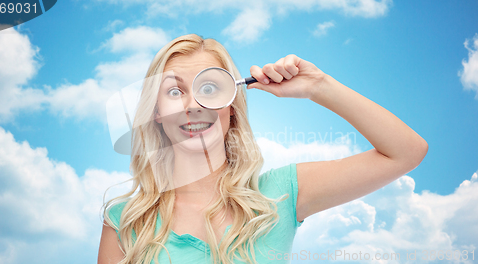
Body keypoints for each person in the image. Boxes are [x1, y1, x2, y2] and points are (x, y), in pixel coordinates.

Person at [97, 34, 428, 264]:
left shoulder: (280, 195)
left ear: (230, 105)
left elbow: (406, 151)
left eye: (209, 88)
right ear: (156, 113)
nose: (193, 105)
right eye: (173, 91)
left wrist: (318, 86)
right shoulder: (125, 221)